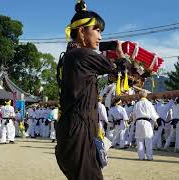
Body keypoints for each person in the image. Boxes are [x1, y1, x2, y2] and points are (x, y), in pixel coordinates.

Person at [55, 1, 126, 179]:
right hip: (79, 133)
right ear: (81, 31)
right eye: (97, 30)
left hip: (74, 130)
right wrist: (120, 53)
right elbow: (119, 69)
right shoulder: (81, 55)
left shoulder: (71, 55)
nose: (100, 37)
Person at [132, 90, 159, 160]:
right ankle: (149, 157)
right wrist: (155, 121)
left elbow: (134, 114)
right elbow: (152, 113)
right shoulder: (148, 103)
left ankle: (141, 157)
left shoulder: (137, 104)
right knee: (148, 139)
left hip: (138, 122)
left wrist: (135, 122)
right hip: (146, 122)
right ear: (146, 95)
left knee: (139, 140)